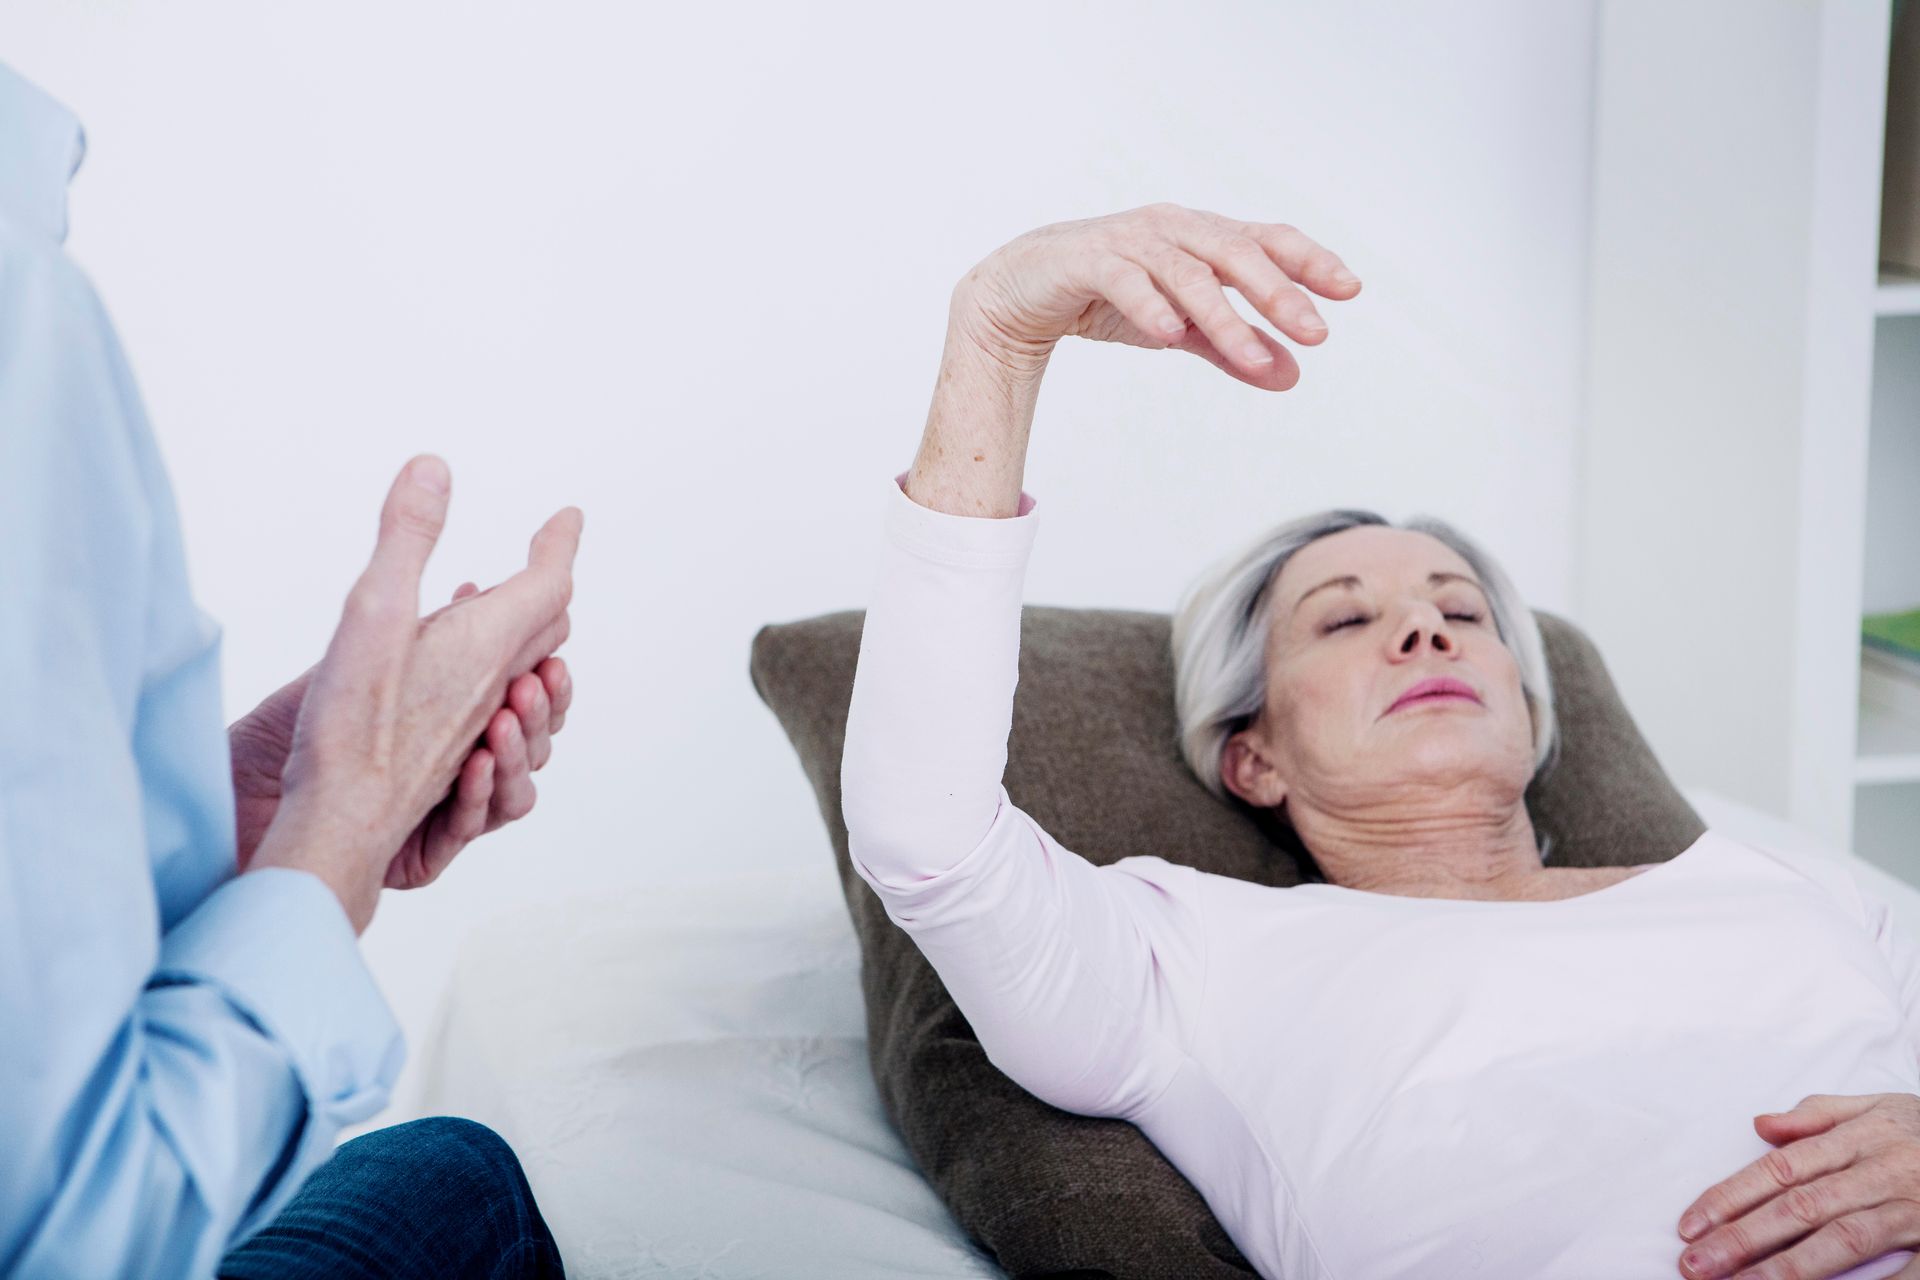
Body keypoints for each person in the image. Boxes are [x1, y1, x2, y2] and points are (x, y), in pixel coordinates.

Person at [840, 200, 1920, 1280]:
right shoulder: (1191, 963)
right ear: (1251, 754)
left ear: (1534, 711)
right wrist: (996, 335)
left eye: (1462, 609)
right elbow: (928, 839)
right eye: (1347, 619)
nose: (1424, 626)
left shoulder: (1796, 890)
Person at [0, 62, 572, 1278]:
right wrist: (338, 838)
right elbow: (86, 1244)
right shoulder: (19, 311)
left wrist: (246, 831)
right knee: (456, 1183)